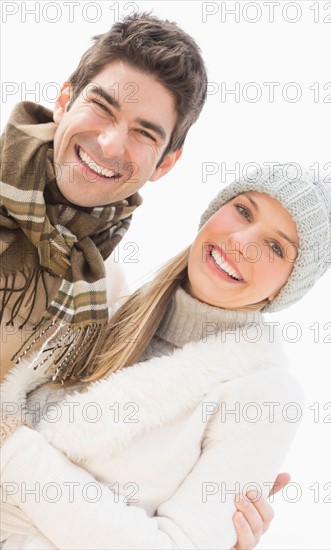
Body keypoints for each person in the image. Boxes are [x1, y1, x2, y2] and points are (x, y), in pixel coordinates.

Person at [1, 164, 331, 549]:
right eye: (243, 210)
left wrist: (13, 447)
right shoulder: (103, 296)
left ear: (288, 286)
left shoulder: (265, 394)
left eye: (276, 247)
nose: (243, 242)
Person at [0, 11, 207, 382]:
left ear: (165, 164)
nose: (111, 145)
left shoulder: (103, 293)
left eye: (145, 133)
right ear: (65, 100)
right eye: (102, 107)